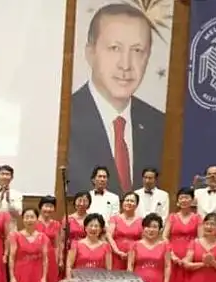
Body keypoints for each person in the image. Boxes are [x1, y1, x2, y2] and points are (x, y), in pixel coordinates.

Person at [67, 3, 164, 194]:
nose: (125, 65)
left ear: (148, 57)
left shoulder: (160, 125)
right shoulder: (64, 119)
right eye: (114, 48)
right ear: (90, 53)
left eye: (137, 51)